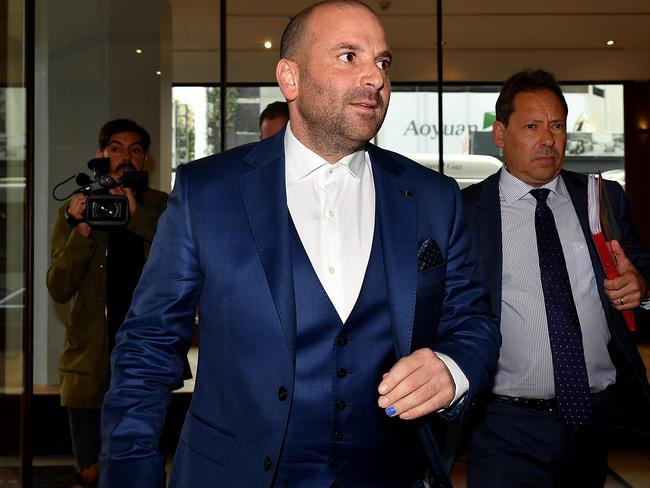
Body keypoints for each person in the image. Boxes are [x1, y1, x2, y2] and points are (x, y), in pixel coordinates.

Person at [100, 2, 499, 487]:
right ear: (290, 79)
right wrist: (130, 472)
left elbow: (473, 321)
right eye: (349, 56)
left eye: (383, 61)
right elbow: (147, 345)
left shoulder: (434, 197)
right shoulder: (208, 192)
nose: (375, 76)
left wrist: (452, 368)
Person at [462, 69, 650, 487]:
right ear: (499, 133)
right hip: (503, 424)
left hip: (594, 418)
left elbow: (642, 272)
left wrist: (642, 288)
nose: (548, 139)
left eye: (557, 126)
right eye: (531, 126)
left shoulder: (600, 199)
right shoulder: (466, 212)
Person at [47, 119, 168, 488]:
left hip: (143, 357)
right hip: (88, 359)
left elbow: (178, 270)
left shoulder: (163, 207)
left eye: (134, 150)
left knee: (138, 464)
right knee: (90, 470)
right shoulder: (77, 209)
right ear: (101, 156)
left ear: (144, 158)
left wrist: (138, 217)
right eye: (116, 148)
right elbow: (58, 287)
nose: (125, 157)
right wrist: (81, 229)